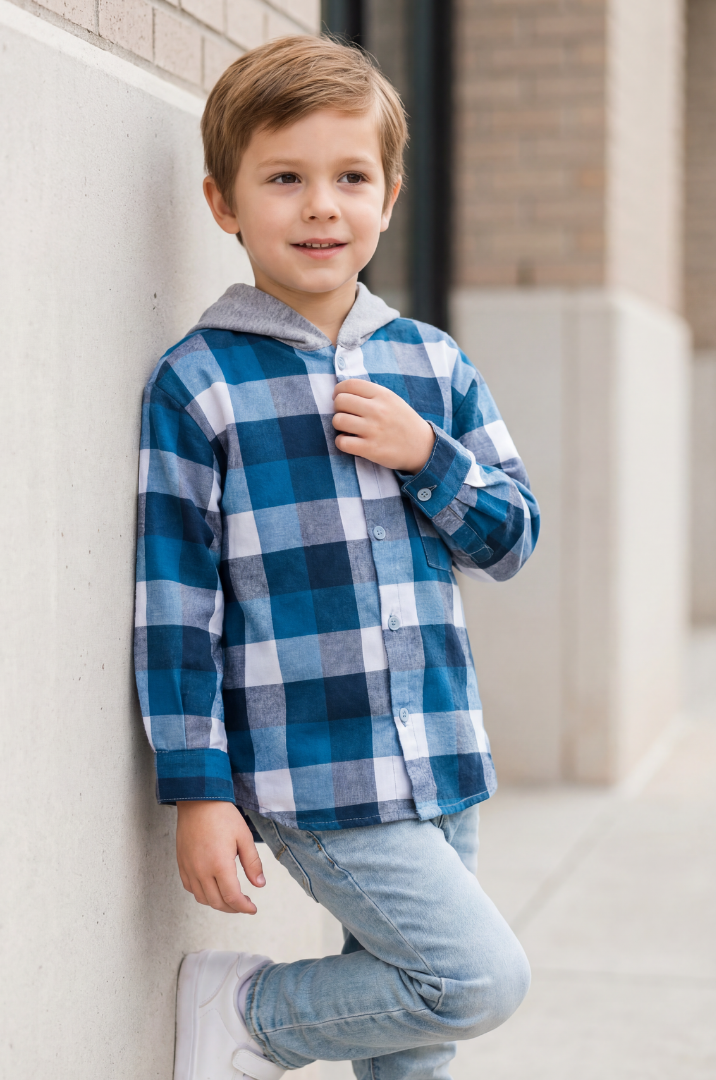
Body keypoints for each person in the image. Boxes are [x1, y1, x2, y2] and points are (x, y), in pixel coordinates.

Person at [134, 34, 539, 1080]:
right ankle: (253, 1014)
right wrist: (198, 787)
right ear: (224, 204)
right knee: (474, 978)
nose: (322, 206)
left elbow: (512, 537)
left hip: (443, 753)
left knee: (417, 1040)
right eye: (285, 179)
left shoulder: (433, 366)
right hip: (312, 770)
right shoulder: (201, 383)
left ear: (390, 196)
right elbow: (177, 608)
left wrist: (428, 458)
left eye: (350, 177)